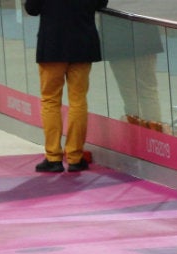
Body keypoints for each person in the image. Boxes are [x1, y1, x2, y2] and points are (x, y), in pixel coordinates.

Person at [25, 0, 109, 173]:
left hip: (52, 44)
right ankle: (75, 157)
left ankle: (53, 157)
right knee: (78, 100)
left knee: (50, 100)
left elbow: (32, 8)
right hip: (83, 43)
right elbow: (100, 3)